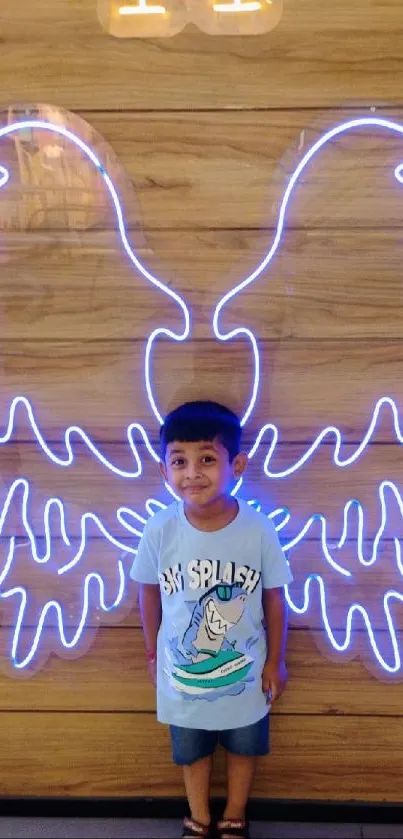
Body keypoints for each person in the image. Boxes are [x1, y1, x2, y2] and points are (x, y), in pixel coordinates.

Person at [130, 400, 293, 839]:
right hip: (182, 671)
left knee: (244, 747)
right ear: (164, 471)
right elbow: (147, 589)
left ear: (236, 464)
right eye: (179, 461)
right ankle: (199, 818)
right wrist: (151, 651)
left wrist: (275, 660)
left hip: (246, 669)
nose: (193, 472)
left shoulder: (257, 528)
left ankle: (236, 814)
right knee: (190, 751)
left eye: (207, 458)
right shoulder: (159, 529)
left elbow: (276, 598)